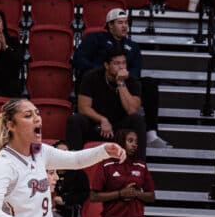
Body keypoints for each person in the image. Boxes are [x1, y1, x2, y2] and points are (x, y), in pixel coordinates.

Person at [72, 8, 171, 149]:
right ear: (110, 25)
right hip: (98, 81)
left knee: (149, 84)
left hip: (123, 83)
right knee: (86, 78)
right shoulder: (96, 39)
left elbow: (136, 72)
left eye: (126, 23)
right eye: (120, 23)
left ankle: (151, 133)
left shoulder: (133, 46)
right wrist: (101, 71)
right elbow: (78, 59)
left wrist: (122, 74)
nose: (124, 26)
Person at [66, 46, 145, 154]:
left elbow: (132, 110)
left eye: (123, 63)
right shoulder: (91, 77)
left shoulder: (132, 81)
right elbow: (83, 107)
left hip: (119, 129)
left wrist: (121, 83)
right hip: (96, 125)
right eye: (116, 63)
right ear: (106, 65)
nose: (121, 67)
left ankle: (138, 167)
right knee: (75, 120)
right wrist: (102, 119)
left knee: (137, 120)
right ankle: (73, 165)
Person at [89, 129, 155, 217]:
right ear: (120, 142)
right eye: (130, 141)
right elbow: (94, 196)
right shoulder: (106, 165)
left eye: (136, 141)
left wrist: (135, 194)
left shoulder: (141, 166)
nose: (135, 144)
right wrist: (120, 194)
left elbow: (151, 196)